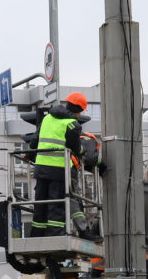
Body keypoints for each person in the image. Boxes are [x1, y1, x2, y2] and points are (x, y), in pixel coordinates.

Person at [30, 92, 86, 237]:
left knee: (40, 204)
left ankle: (37, 234)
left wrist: (31, 155)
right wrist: (83, 150)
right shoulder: (72, 124)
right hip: (58, 170)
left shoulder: (47, 118)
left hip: (41, 168)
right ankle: (55, 234)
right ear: (78, 109)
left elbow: (34, 141)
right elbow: (76, 148)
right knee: (56, 205)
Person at [70, 130, 104, 243]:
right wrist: (102, 165)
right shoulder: (89, 140)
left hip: (46, 170)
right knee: (74, 200)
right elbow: (91, 158)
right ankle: (83, 232)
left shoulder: (70, 136)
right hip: (67, 171)